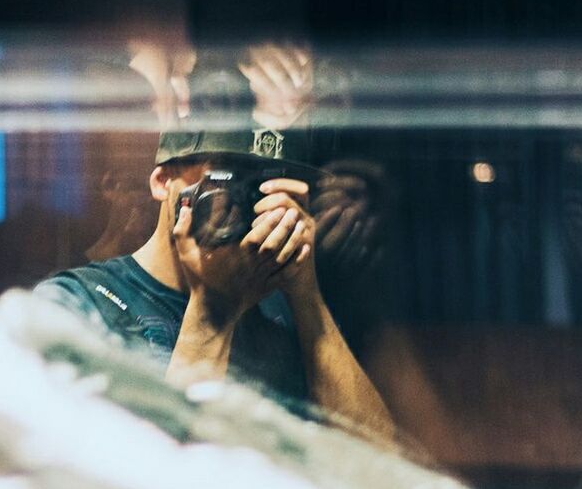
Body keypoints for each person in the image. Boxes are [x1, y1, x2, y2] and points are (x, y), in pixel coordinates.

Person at [36, 44, 394, 441]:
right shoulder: (81, 305)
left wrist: (306, 295)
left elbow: (380, 463)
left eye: (262, 184)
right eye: (226, 179)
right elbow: (124, 481)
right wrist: (213, 309)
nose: (244, 202)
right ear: (162, 180)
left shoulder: (281, 308)